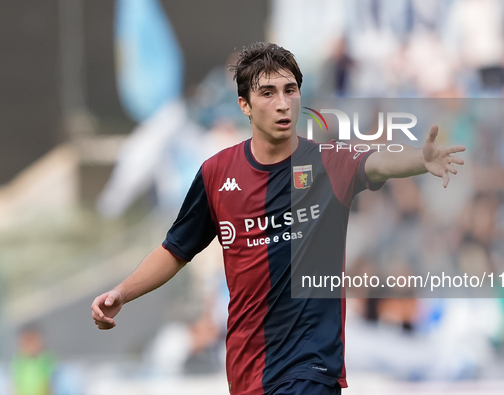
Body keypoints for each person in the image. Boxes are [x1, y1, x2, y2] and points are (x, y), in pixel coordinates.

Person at [91, 42, 465, 395]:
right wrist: (122, 293)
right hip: (247, 369)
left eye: (290, 90)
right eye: (268, 93)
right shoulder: (216, 174)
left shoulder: (328, 163)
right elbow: (175, 249)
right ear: (245, 105)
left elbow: (378, 163)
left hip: (311, 366)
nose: (283, 103)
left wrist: (420, 159)